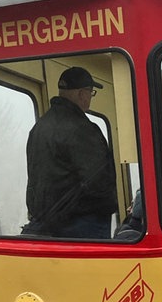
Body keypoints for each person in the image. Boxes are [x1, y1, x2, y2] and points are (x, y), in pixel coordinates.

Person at [23, 67, 118, 238]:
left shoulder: (39, 128)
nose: (90, 98)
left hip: (47, 221)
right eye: (91, 92)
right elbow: (99, 178)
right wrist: (108, 204)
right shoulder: (83, 129)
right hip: (83, 221)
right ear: (82, 94)